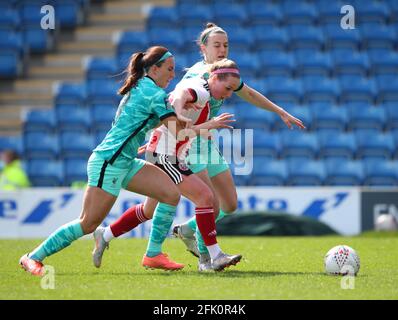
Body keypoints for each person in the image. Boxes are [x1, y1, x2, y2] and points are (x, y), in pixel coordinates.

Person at [18, 46, 199, 276]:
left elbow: (152, 122)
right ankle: (32, 257)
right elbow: (176, 131)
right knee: (87, 223)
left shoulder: (142, 87)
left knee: (171, 194)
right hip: (109, 162)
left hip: (124, 161)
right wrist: (202, 125)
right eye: (170, 69)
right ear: (154, 69)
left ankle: (153, 255)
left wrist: (180, 114)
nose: (173, 75)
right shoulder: (154, 94)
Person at [170, 23, 306, 263]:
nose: (222, 49)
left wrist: (280, 111)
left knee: (229, 205)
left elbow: (249, 93)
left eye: (226, 45)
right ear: (203, 48)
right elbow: (174, 101)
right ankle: (208, 258)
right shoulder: (197, 76)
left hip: (208, 144)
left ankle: (188, 230)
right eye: (217, 45)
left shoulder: (225, 73)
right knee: (208, 202)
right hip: (189, 143)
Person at [92, 59, 244, 272]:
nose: (229, 94)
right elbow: (181, 96)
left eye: (232, 91)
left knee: (149, 210)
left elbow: (174, 110)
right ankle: (212, 257)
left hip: (165, 153)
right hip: (165, 156)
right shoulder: (201, 90)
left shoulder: (203, 91)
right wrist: (181, 113)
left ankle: (106, 234)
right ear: (214, 77)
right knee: (206, 198)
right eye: (227, 88)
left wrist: (160, 134)